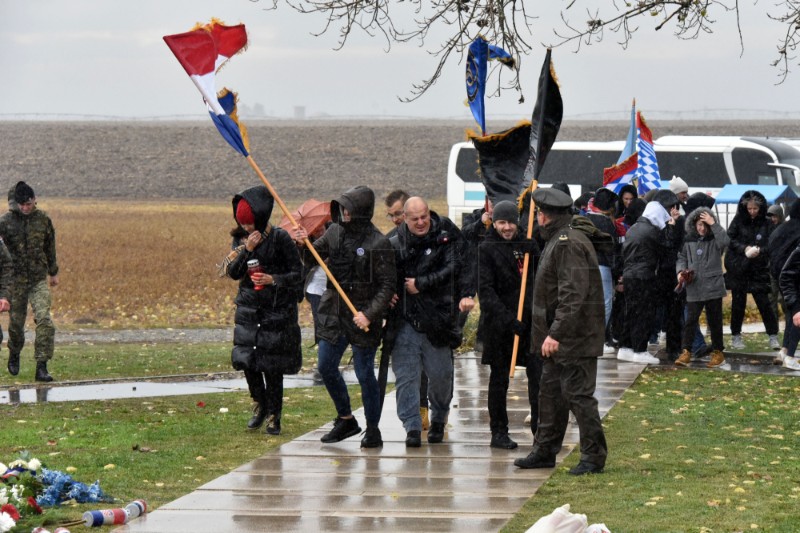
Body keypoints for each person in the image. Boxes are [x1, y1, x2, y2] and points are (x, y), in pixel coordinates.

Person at [513, 188, 607, 476]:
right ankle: (544, 450)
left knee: (579, 396)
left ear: (543, 215)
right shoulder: (558, 239)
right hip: (558, 339)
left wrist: (555, 333)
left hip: (573, 339)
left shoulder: (567, 243)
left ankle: (593, 456)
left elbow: (572, 294)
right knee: (550, 395)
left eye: (537, 214)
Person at [293, 186, 396, 448]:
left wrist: (370, 315)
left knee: (364, 373)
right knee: (326, 366)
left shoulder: (379, 243)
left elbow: (386, 286)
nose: (345, 212)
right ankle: (346, 418)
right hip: (334, 313)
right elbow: (310, 258)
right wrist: (301, 242)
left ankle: (373, 429)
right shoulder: (334, 232)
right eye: (343, 208)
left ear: (361, 212)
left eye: (349, 208)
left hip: (362, 318)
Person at [388, 196, 471, 447]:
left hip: (438, 319)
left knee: (441, 375)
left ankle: (439, 419)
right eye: (415, 219)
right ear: (405, 218)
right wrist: (388, 295)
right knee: (406, 378)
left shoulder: (447, 234)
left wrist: (421, 284)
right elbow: (385, 276)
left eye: (424, 216)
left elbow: (456, 266)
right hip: (405, 320)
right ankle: (411, 426)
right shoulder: (394, 242)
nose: (422, 222)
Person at [226, 187, 303, 435]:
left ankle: (274, 415)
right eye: (243, 223)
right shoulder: (241, 240)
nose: (247, 228)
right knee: (248, 362)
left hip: (275, 312)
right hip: (249, 311)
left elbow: (297, 273)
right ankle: (259, 404)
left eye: (250, 223)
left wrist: (274, 279)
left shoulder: (281, 239)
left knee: (272, 366)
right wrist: (246, 249)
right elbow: (233, 273)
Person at [476, 201, 536, 449]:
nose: (507, 227)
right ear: (494, 222)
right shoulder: (487, 248)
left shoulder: (528, 242)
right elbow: (486, 293)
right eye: (502, 222)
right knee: (499, 380)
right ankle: (498, 432)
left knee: (537, 376)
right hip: (500, 326)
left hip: (529, 322)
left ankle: (539, 430)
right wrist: (509, 321)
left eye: (511, 221)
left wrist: (536, 250)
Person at [0, 182, 59, 382]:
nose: (25, 208)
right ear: (16, 204)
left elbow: (50, 245)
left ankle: (41, 366)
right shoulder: (6, 221)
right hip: (15, 282)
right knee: (16, 325)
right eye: (22, 204)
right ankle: (14, 352)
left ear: (34, 201)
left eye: (29, 203)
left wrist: (53, 272)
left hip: (37, 279)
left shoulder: (43, 220)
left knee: (44, 320)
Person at [618, 190, 681, 364]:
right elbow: (668, 247)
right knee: (643, 314)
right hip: (644, 276)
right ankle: (639, 350)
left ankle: (625, 347)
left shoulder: (635, 228)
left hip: (630, 275)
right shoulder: (651, 230)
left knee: (631, 312)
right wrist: (673, 225)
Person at [674, 207, 729, 368]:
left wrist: (715, 224)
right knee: (690, 321)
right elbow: (681, 257)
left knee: (715, 321)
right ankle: (686, 351)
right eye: (699, 224)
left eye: (705, 224)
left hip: (713, 286)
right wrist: (680, 272)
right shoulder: (689, 239)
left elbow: (726, 242)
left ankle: (718, 352)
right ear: (694, 224)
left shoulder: (715, 238)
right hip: (694, 286)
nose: (702, 228)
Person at [724, 190, 780, 350]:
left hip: (758, 268)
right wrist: (745, 249)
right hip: (740, 268)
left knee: (764, 303)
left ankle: (773, 335)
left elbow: (772, 243)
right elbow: (730, 239)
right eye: (749, 209)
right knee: (738, 304)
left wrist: (760, 251)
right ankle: (736, 335)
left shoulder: (767, 223)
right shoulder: (738, 220)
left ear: (761, 208)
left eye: (755, 209)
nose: (752, 212)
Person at [584, 188, 620, 355]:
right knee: (605, 303)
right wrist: (617, 273)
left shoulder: (585, 218)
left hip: (585, 266)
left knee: (589, 303)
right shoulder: (606, 223)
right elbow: (612, 250)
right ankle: (598, 339)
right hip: (603, 266)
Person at [768, 201, 800, 364]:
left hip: (780, 277)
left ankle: (785, 350)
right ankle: (790, 355)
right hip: (794, 279)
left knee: (791, 315)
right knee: (797, 316)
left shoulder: (780, 229)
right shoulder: (797, 230)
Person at [778, 244, 800, 370]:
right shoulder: (798, 252)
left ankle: (787, 354)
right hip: (796, 296)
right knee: (797, 322)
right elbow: (785, 276)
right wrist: (795, 306)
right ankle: (789, 357)